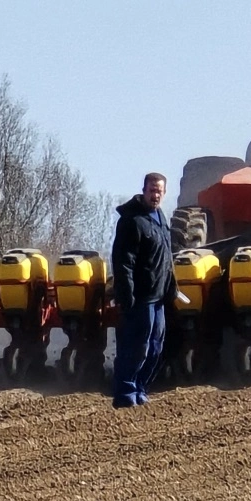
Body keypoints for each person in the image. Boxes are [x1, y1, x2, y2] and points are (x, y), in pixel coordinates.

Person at [110, 172, 174, 408]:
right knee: (137, 346)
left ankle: (140, 388)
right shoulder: (132, 221)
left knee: (156, 347)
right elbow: (123, 261)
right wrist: (126, 296)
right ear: (144, 190)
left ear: (164, 193)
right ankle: (125, 392)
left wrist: (172, 287)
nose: (155, 195)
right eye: (151, 190)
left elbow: (167, 258)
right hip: (140, 298)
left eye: (159, 191)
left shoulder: (160, 218)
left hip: (158, 297)